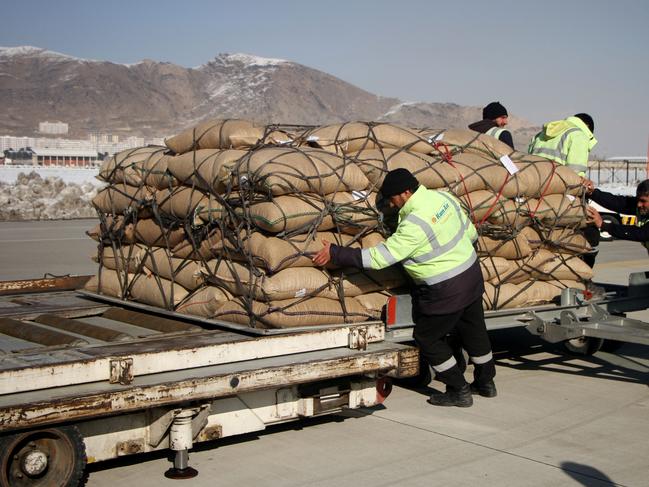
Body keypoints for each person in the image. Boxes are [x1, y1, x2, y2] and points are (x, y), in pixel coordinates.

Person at [312, 168, 496, 407]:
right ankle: (486, 383)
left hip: (446, 289)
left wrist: (337, 252)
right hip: (471, 276)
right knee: (474, 330)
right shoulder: (444, 198)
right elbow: (470, 233)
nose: (390, 203)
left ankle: (458, 389)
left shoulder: (414, 223)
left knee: (427, 338)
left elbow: (381, 258)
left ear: (406, 192)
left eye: (392, 198)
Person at [529, 113, 600, 267]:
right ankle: (583, 278)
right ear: (588, 129)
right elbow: (575, 179)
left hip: (534, 196)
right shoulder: (578, 135)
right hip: (559, 196)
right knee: (591, 235)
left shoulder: (541, 134)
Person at [584, 178, 649, 254]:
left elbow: (641, 233)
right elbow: (617, 202)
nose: (639, 204)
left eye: (643, 201)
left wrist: (603, 224)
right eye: (638, 200)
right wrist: (592, 193)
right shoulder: (641, 206)